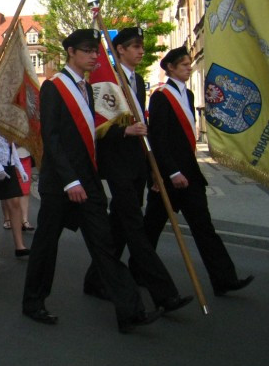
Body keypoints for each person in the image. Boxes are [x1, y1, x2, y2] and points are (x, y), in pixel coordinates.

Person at [21, 29, 162, 333]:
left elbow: (95, 133)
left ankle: (130, 311)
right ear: (71, 52)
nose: (93, 56)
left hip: (90, 181)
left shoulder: (89, 88)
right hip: (62, 184)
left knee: (105, 245)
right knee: (46, 245)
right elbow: (52, 139)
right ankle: (33, 302)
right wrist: (70, 181)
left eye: (96, 51)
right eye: (87, 51)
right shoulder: (55, 88)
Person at [81, 27, 192, 313]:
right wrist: (125, 131)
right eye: (134, 46)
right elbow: (94, 126)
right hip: (116, 162)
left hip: (137, 163)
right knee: (135, 227)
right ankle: (164, 293)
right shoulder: (108, 80)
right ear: (119, 50)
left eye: (141, 46)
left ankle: (95, 279)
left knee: (120, 225)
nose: (141, 51)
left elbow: (145, 126)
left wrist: (153, 168)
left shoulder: (138, 81)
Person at [145, 46, 254, 297]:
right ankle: (139, 271)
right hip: (169, 177)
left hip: (190, 175)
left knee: (204, 228)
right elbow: (159, 138)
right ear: (170, 68)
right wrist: (171, 173)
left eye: (189, 63)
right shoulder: (161, 96)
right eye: (183, 64)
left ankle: (224, 278)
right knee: (150, 228)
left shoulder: (190, 94)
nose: (188, 67)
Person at [0, 130, 31, 258]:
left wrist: (19, 167)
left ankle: (19, 246)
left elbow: (10, 145)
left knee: (14, 202)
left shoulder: (7, 119)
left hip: (8, 163)